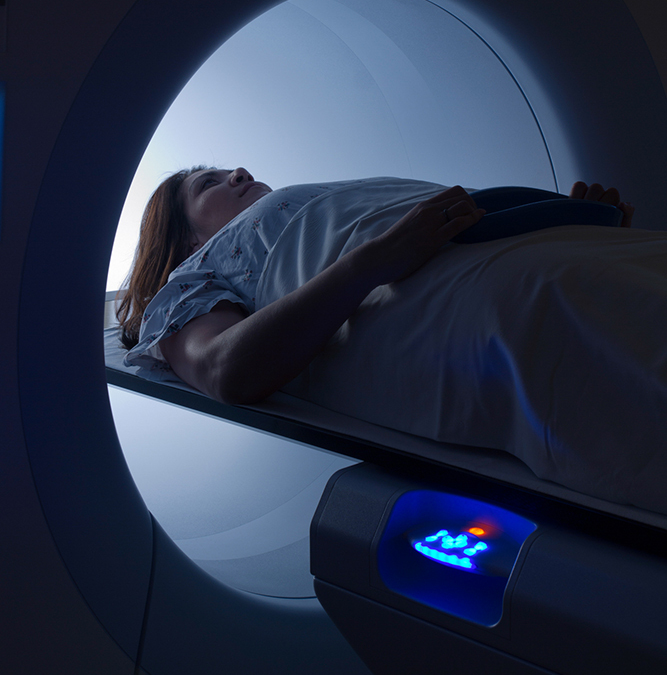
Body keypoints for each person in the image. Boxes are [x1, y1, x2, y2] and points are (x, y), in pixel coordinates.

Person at [120, 167, 667, 513]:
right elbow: (222, 370)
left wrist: (566, 215)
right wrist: (374, 261)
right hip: (489, 287)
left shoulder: (334, 188)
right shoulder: (191, 282)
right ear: (186, 238)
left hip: (557, 244)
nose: (238, 171)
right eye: (209, 183)